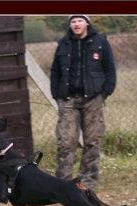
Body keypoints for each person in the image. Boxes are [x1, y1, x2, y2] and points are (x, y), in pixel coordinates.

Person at [50, 15, 116, 189]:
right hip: (68, 100)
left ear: (87, 22)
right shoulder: (63, 44)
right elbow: (55, 71)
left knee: (92, 141)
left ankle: (87, 182)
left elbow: (110, 69)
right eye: (73, 21)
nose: (76, 24)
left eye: (79, 20)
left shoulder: (100, 42)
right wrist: (57, 95)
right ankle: (63, 183)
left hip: (93, 99)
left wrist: (104, 94)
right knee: (66, 142)